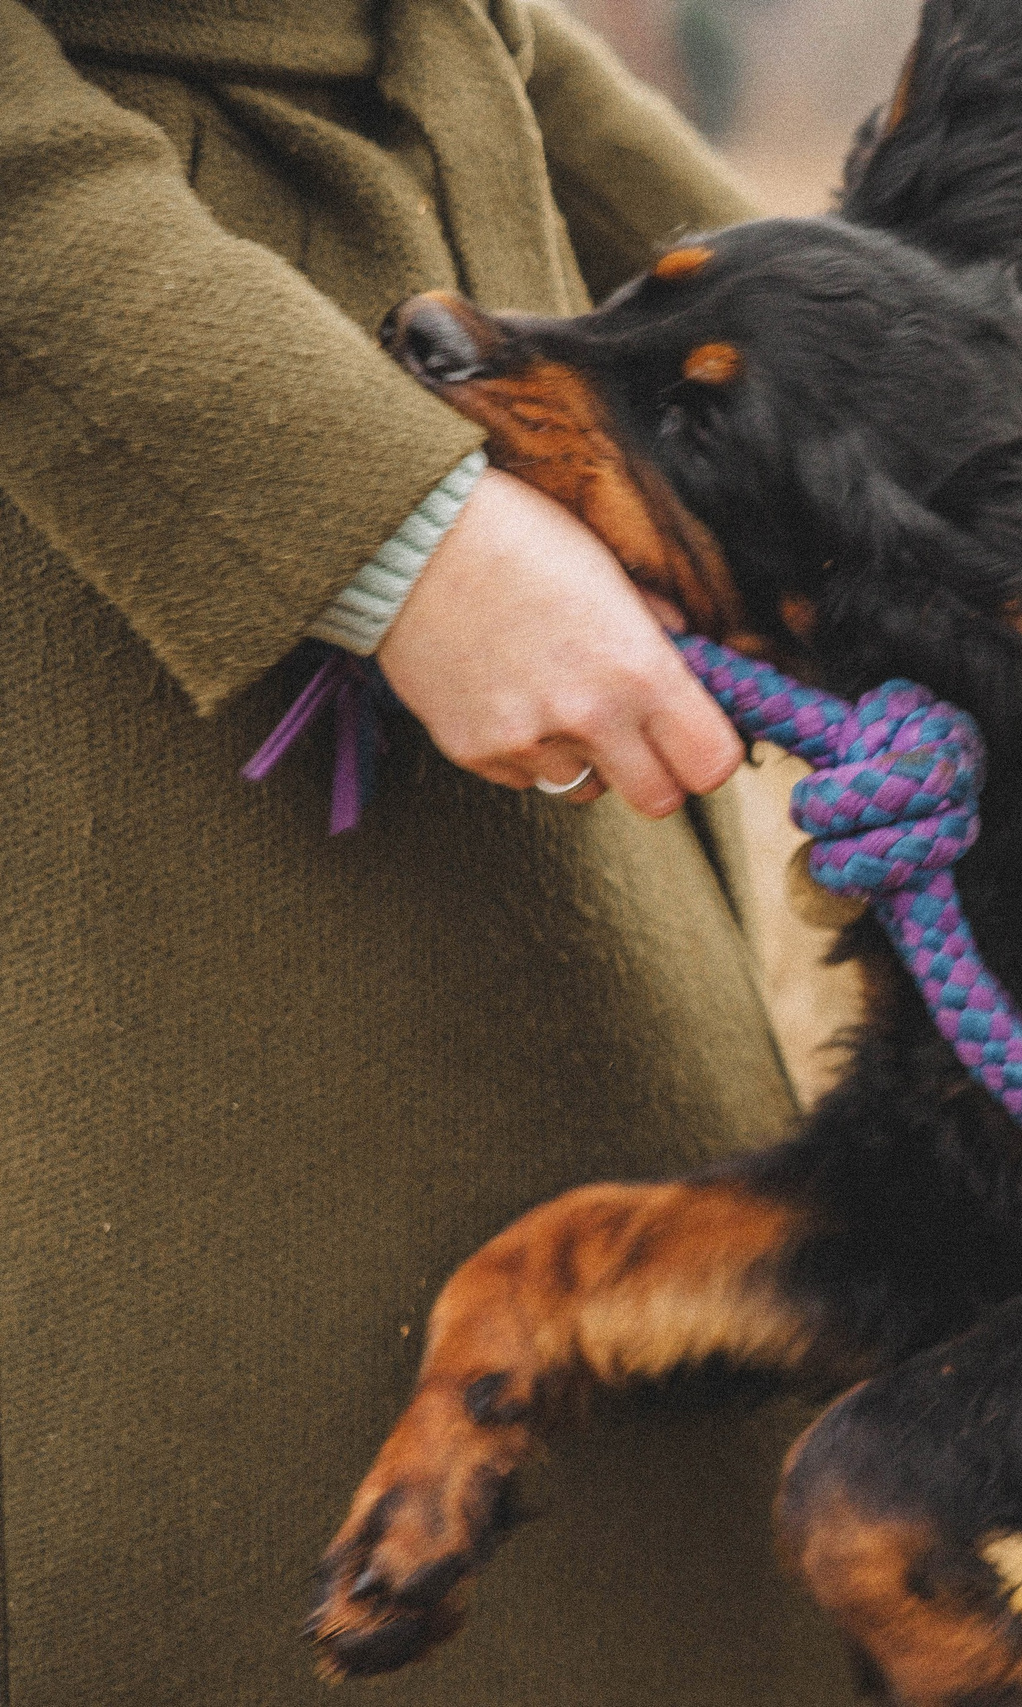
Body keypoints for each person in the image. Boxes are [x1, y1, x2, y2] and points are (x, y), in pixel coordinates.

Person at [0, 2, 856, 1702]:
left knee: (684, 1550)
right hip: (117, 479)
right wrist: (379, 522)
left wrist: (866, 323)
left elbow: (489, 30)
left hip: (471, 330)